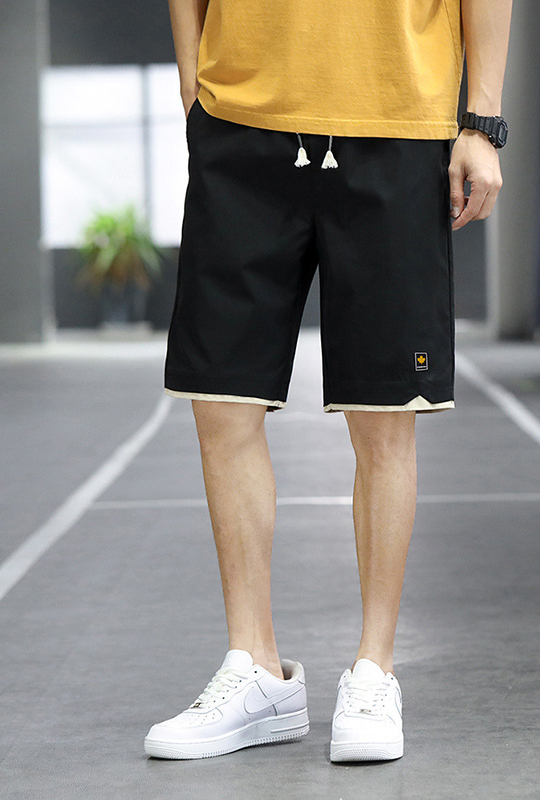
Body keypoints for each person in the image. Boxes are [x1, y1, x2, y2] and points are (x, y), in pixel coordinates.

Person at [144, 0, 512, 763]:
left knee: (384, 415)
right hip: (240, 118)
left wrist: (481, 121)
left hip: (397, 121)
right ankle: (255, 668)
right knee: (222, 403)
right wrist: (191, 84)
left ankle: (375, 670)